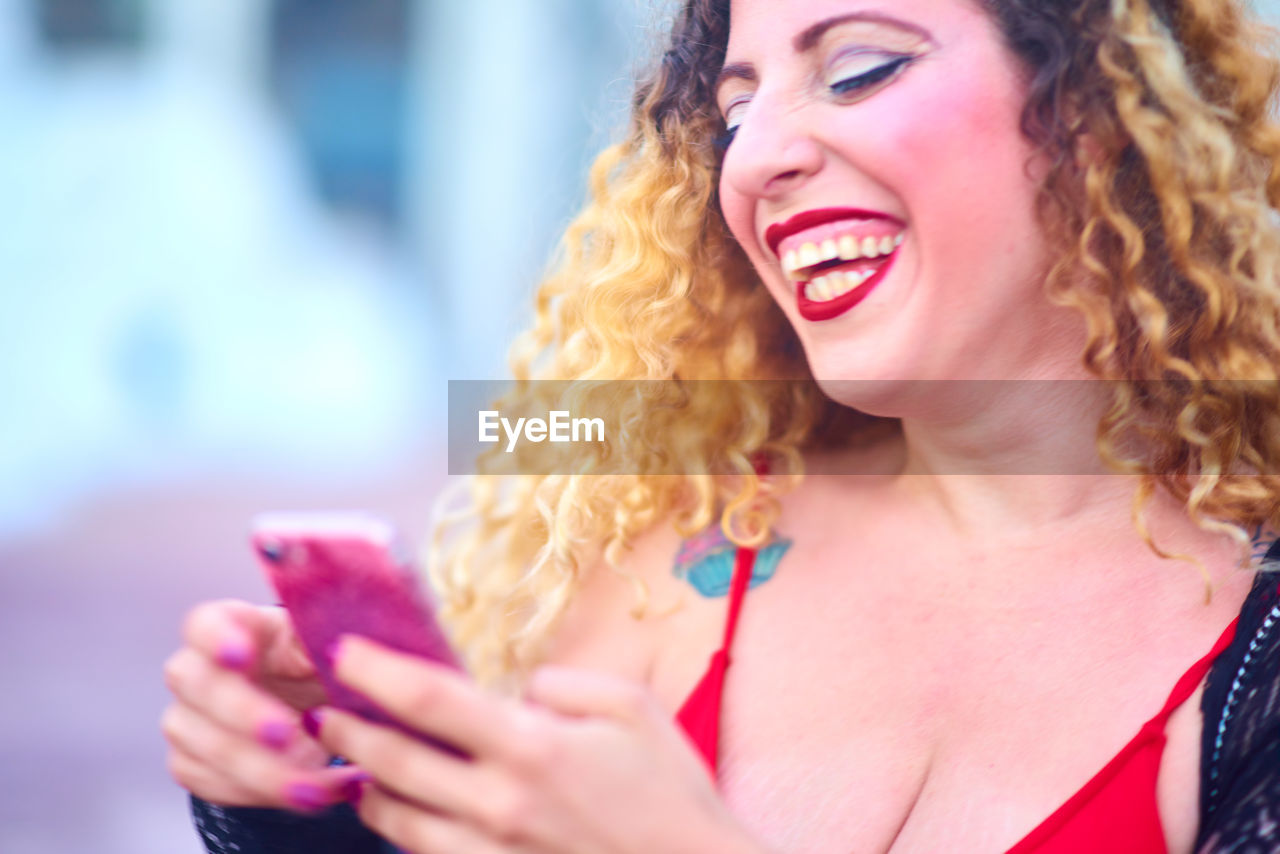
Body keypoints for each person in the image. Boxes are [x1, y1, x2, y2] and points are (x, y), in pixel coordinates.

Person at [162, 0, 1280, 851]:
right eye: (733, 112)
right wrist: (305, 805)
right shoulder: (678, 545)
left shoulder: (1255, 653)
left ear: (1098, 116)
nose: (752, 160)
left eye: (858, 69)